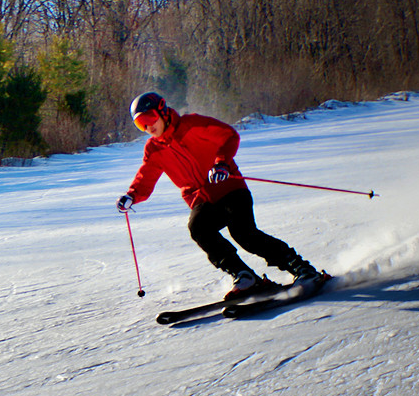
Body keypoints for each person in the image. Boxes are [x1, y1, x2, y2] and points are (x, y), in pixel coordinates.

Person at [116, 92, 323, 300]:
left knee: (244, 234)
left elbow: (229, 135)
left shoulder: (192, 125)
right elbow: (146, 176)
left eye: (149, 118)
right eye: (140, 124)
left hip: (229, 187)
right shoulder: (153, 149)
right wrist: (132, 196)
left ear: (162, 111)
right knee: (198, 228)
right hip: (201, 199)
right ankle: (245, 277)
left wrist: (221, 162)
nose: (148, 127)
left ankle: (302, 269)